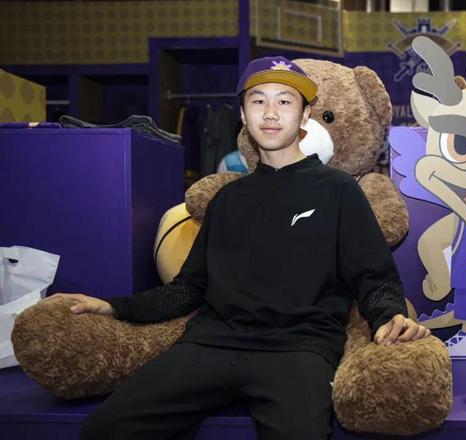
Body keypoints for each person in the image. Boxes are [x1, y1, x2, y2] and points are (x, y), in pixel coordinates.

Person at [43, 56, 431, 440]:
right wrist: (114, 306)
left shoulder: (339, 189)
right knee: (105, 428)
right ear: (244, 115)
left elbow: (374, 275)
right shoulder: (227, 199)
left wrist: (390, 315)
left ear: (304, 115)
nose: (271, 113)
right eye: (258, 100)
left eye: (285, 101)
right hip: (212, 342)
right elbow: (187, 289)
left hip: (299, 348)